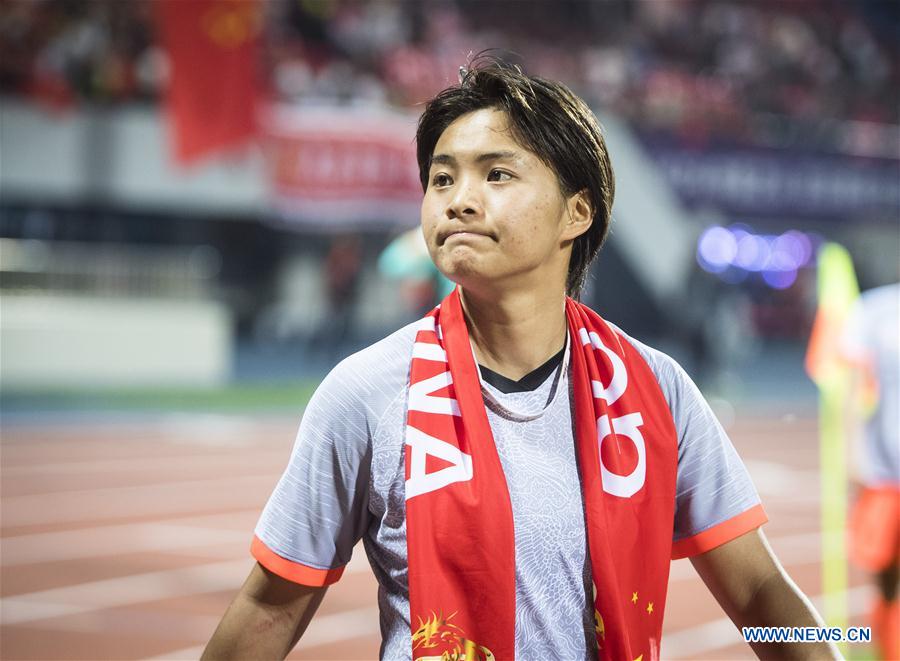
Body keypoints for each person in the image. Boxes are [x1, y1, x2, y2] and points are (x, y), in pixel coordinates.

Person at [202, 58, 838, 660]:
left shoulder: (654, 389)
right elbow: (273, 606)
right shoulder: (366, 392)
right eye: (442, 178)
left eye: (496, 174)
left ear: (576, 212)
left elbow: (758, 593)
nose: (458, 199)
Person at [841, 282, 900, 660]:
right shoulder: (875, 309)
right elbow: (850, 387)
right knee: (887, 579)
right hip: (885, 475)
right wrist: (853, 454)